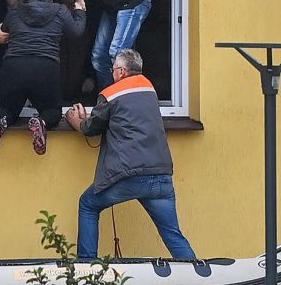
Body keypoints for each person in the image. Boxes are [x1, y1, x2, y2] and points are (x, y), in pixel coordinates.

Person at [64, 50, 195, 259]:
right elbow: (129, 116)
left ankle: (86, 268)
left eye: (113, 69)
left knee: (88, 205)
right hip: (161, 174)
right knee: (173, 234)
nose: (112, 73)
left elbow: (91, 128)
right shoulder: (149, 89)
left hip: (130, 175)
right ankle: (195, 276)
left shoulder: (110, 94)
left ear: (122, 72)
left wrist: (75, 121)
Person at [0, 0, 88, 155]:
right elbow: (76, 31)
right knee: (52, 111)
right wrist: (80, 11)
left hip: (14, 65)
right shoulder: (60, 11)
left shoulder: (16, 9)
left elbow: (6, 30)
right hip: (45, 66)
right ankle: (42, 122)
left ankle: (1, 122)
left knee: (6, 109)